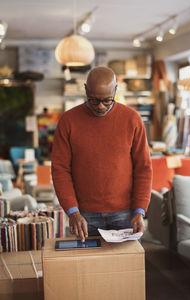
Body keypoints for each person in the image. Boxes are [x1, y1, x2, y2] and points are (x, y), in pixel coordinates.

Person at [51, 66, 152, 242]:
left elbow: (143, 169)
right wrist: (72, 210)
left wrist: (140, 210)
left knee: (128, 268)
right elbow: (60, 170)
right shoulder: (68, 121)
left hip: (126, 213)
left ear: (115, 90)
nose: (100, 106)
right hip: (84, 215)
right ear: (85, 90)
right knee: (89, 268)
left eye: (107, 100)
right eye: (94, 100)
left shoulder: (132, 120)